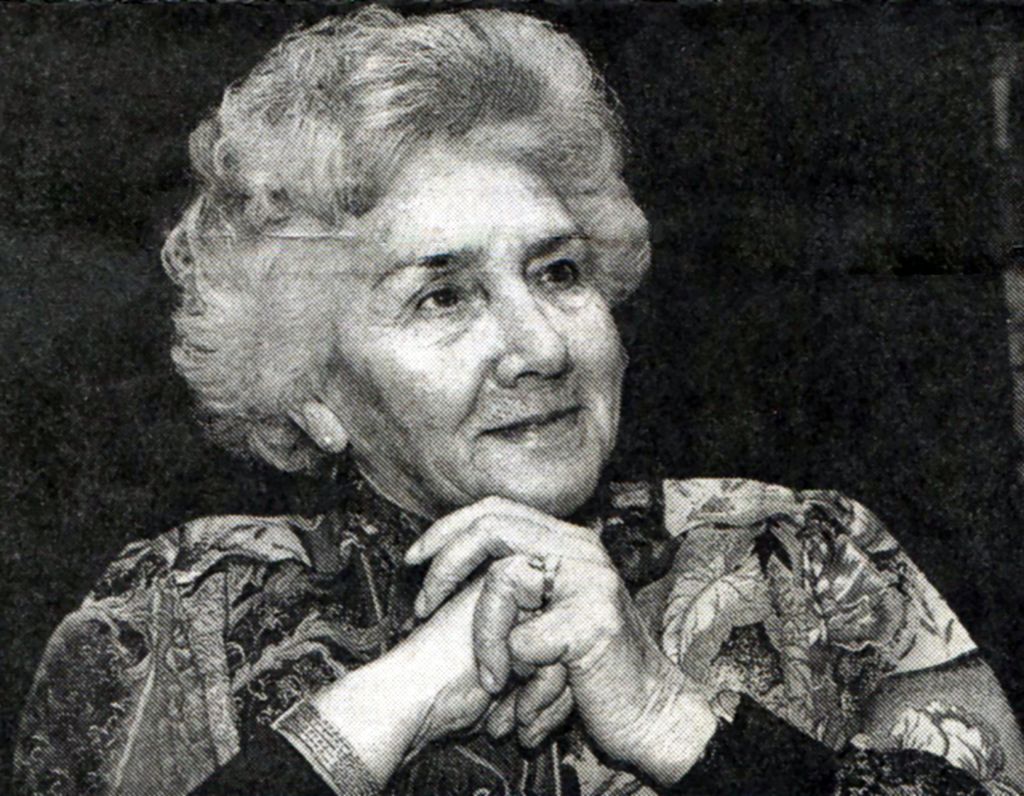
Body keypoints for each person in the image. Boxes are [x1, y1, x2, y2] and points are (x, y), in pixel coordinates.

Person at [13, 6, 1024, 795]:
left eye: (558, 272)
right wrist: (396, 697)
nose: (539, 347)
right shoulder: (171, 618)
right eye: (443, 296)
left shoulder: (806, 565)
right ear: (311, 388)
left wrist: (671, 719)